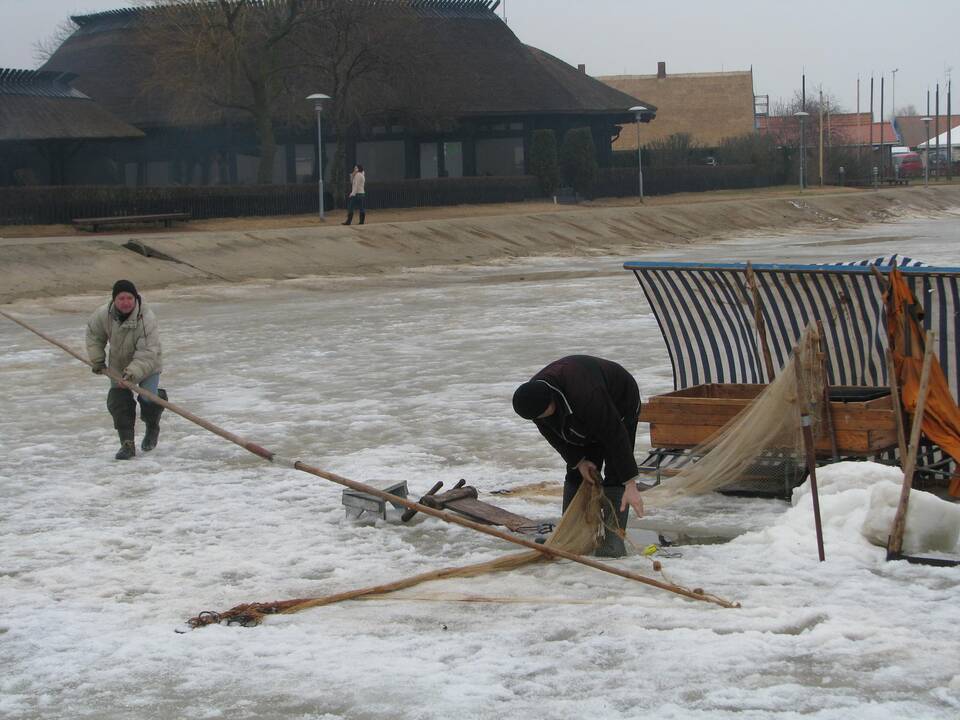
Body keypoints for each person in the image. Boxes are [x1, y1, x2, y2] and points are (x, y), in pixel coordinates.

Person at [512, 355, 643, 557]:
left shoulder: (588, 395)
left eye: (542, 415)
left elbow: (615, 436)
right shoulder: (534, 400)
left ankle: (613, 541)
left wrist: (630, 483)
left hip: (620, 401)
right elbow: (552, 434)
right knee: (578, 471)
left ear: (551, 401)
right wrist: (579, 461)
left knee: (616, 471)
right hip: (583, 407)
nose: (540, 420)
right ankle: (569, 536)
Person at [86, 280, 166, 460]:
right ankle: (127, 444)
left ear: (135, 298)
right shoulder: (103, 315)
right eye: (121, 298)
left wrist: (130, 375)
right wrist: (97, 359)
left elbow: (147, 352)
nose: (125, 302)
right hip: (118, 365)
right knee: (119, 401)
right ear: (114, 300)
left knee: (147, 398)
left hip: (148, 365)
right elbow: (94, 335)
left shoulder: (146, 318)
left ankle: (152, 426)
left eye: (129, 297)